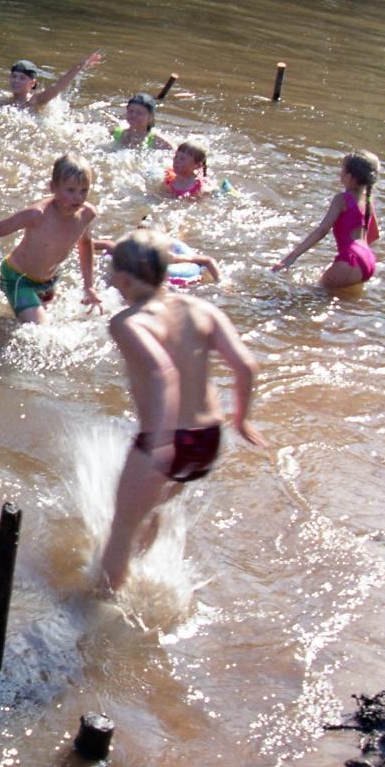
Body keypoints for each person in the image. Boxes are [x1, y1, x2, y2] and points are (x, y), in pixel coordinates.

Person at [96, 229, 263, 595]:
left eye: (111, 273)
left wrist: (160, 441)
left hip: (166, 440)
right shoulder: (201, 309)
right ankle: (143, 551)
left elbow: (162, 373)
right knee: (151, 502)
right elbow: (246, 366)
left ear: (123, 280)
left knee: (120, 528)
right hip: (207, 441)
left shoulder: (128, 322)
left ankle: (99, 605)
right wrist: (242, 418)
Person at [0, 154, 104, 323]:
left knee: (39, 325)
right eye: (70, 190)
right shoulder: (37, 215)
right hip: (18, 277)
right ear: (53, 187)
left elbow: (85, 243)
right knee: (41, 330)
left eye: (84, 190)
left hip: (49, 281)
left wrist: (89, 286)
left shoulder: (87, 214)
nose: (78, 197)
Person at [271, 150, 381, 289]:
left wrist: (291, 257)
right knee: (339, 297)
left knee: (314, 294)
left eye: (342, 169)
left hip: (351, 259)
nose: (340, 173)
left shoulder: (342, 199)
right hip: (368, 260)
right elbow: (374, 235)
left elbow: (322, 230)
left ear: (349, 177)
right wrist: (358, 258)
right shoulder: (368, 200)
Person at [6, 51, 104, 113]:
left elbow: (59, 86)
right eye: (14, 76)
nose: (16, 80)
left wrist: (82, 64)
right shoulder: (6, 99)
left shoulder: (35, 100)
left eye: (22, 78)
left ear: (32, 83)